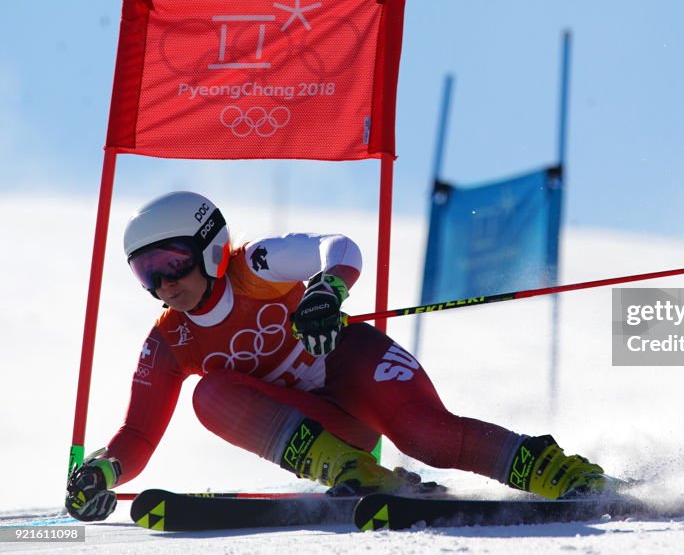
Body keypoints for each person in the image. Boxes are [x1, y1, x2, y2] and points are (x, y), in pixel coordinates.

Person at [65, 191, 618, 521]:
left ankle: (560, 472)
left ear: (209, 246)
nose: (163, 284)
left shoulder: (253, 265)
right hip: (326, 429)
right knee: (209, 395)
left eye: (170, 262)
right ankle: (359, 474)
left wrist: (327, 289)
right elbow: (137, 437)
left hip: (352, 365)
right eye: (146, 274)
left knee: (427, 437)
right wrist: (102, 472)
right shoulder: (168, 342)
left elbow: (340, 248)